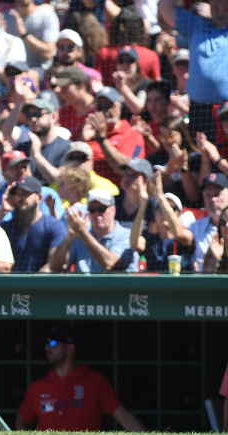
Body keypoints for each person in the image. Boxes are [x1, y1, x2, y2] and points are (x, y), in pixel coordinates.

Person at [16, 326, 146, 431]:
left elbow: (124, 418)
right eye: (46, 344)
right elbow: (22, 420)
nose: (47, 348)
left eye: (53, 343)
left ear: (70, 348)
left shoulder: (94, 381)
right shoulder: (37, 387)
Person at [159, 0, 228, 143]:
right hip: (199, 112)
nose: (215, 5)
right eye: (213, 1)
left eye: (221, 1)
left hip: (226, 110)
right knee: (199, 157)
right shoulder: (195, 24)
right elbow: (165, 7)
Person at [49, 188, 139, 273]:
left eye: (102, 209)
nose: (97, 214)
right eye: (92, 209)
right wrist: (69, 237)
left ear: (113, 210)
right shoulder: (81, 236)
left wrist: (82, 233)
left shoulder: (127, 236)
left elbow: (111, 265)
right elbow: (55, 267)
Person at [0, 176, 67, 272]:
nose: (20, 198)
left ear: (39, 198)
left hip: (41, 285)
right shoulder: (6, 227)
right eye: (17, 194)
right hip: (9, 285)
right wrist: (2, 210)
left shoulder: (53, 226)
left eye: (25, 194)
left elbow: (56, 264)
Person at [163, 173, 228, 272]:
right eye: (208, 195)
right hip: (205, 282)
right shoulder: (197, 225)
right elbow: (179, 234)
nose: (213, 199)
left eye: (217, 194)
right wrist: (160, 197)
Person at [131, 172, 194, 273]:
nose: (164, 212)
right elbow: (134, 243)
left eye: (171, 208)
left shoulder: (187, 235)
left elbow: (178, 234)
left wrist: (160, 196)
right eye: (160, 208)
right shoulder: (150, 240)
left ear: (178, 215)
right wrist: (143, 205)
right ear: (154, 215)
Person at [81, 87, 145, 185]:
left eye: (109, 105)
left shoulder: (132, 134)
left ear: (120, 107)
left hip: (117, 192)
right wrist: (81, 140)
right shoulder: (88, 130)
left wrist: (102, 139)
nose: (104, 111)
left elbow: (126, 169)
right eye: (100, 107)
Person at [20, 97, 71, 185]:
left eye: (38, 114)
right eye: (29, 116)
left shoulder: (67, 148)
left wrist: (37, 156)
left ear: (53, 117)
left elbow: (61, 182)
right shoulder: (22, 148)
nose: (33, 119)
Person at [4, 0, 59, 72]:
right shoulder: (4, 18)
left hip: (40, 70)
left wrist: (24, 34)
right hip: (11, 70)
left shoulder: (47, 16)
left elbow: (48, 54)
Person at [54, 66, 95, 141]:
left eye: (65, 88)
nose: (61, 93)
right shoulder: (63, 113)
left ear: (80, 84)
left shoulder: (99, 109)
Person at [202, 205, 228, 273]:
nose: (226, 225)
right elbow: (206, 280)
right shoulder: (214, 248)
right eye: (223, 221)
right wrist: (215, 259)